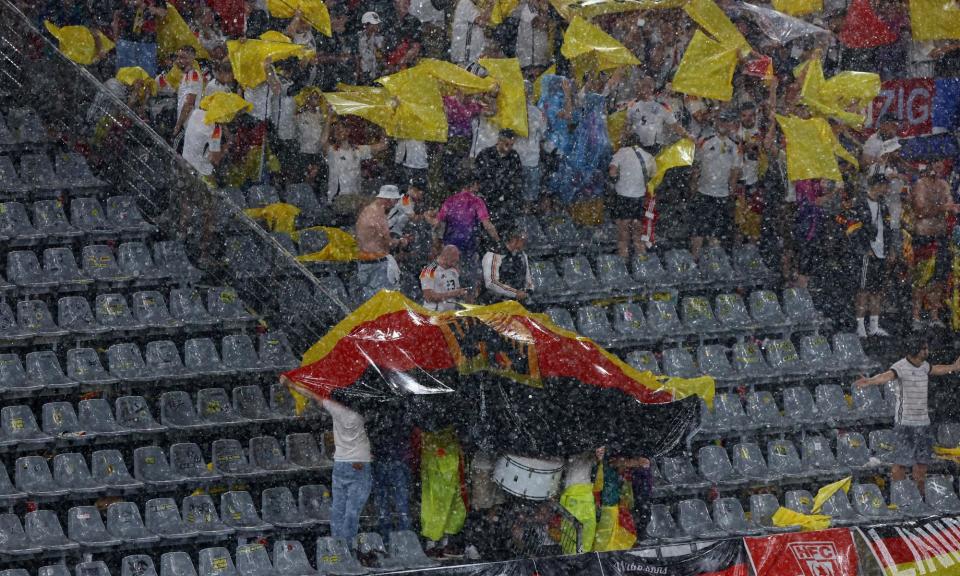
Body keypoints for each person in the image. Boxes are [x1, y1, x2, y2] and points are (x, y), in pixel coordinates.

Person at [855, 336, 960, 493]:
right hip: (905, 423)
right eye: (924, 348)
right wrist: (870, 381)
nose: (927, 351)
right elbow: (885, 376)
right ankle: (901, 494)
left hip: (923, 423)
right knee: (901, 462)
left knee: (922, 462)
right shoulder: (900, 366)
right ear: (916, 350)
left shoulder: (924, 366)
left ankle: (919, 494)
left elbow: (937, 368)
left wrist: (953, 366)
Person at [907, 161, 958, 330]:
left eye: (940, 166)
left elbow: (950, 203)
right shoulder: (920, 185)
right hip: (923, 236)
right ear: (928, 167)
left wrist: (950, 207)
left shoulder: (944, 184)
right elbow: (920, 210)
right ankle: (915, 316)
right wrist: (943, 207)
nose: (937, 169)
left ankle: (934, 316)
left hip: (941, 236)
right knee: (921, 279)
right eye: (935, 165)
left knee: (938, 279)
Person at [689, 108, 742, 259]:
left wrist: (730, 194)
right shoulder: (705, 141)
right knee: (698, 232)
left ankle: (714, 264)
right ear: (717, 121)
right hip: (703, 192)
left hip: (722, 195)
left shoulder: (736, 146)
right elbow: (696, 166)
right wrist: (693, 187)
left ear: (732, 124)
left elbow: (735, 172)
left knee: (716, 234)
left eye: (727, 121)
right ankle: (695, 262)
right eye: (722, 120)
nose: (724, 124)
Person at [320, 394, 373, 541]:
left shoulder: (335, 408)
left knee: (338, 508)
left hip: (340, 462)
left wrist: (291, 384)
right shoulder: (361, 413)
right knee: (353, 510)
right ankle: (348, 544)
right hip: (360, 461)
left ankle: (338, 544)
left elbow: (315, 396)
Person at [435, 176, 501, 294]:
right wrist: (498, 240)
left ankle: (451, 308)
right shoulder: (477, 201)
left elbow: (437, 223)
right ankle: (469, 304)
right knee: (469, 284)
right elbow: (487, 225)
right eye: (477, 184)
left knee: (450, 283)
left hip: (450, 247)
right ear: (474, 185)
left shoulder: (449, 200)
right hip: (468, 247)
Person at [848, 174, 894, 337]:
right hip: (867, 253)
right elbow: (852, 229)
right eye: (885, 185)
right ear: (877, 185)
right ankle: (860, 326)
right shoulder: (859, 203)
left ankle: (874, 326)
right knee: (863, 290)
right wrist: (864, 248)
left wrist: (890, 249)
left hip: (881, 252)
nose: (887, 189)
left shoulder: (883, 204)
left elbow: (888, 229)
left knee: (877, 291)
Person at [356, 185, 410, 301]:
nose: (395, 204)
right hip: (377, 264)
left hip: (364, 261)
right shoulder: (379, 215)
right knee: (383, 302)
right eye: (394, 201)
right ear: (387, 199)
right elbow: (388, 242)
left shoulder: (368, 210)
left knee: (369, 302)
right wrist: (401, 241)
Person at [609, 134, 657, 259]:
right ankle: (641, 261)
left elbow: (612, 172)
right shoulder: (648, 156)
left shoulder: (622, 152)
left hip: (623, 197)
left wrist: (620, 176)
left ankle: (624, 262)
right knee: (638, 232)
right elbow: (653, 176)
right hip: (639, 198)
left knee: (623, 233)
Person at [475, 130, 524, 226]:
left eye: (511, 145)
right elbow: (478, 178)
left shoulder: (514, 156)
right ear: (499, 141)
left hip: (507, 203)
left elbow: (518, 179)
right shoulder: (485, 154)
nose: (509, 148)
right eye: (506, 144)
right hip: (488, 201)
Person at [112, 0, 166, 76]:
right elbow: (116, 16)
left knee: (147, 76)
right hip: (126, 40)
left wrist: (152, 9)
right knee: (124, 75)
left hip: (147, 43)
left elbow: (163, 13)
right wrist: (116, 39)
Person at [482, 226, 532, 302]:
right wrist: (514, 293)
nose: (525, 243)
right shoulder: (494, 254)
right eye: (523, 240)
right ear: (514, 239)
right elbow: (491, 283)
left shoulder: (523, 255)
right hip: (495, 303)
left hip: (517, 303)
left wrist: (529, 291)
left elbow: (528, 279)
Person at [171, 46, 204, 142]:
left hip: (190, 126)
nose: (179, 60)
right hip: (187, 125)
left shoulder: (194, 75)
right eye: (178, 57)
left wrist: (178, 125)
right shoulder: (186, 75)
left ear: (191, 59)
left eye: (183, 57)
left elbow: (189, 103)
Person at [420, 245, 467, 311]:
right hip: (434, 314)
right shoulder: (429, 270)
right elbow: (429, 297)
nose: (457, 259)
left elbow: (455, 290)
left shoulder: (453, 270)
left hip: (450, 314)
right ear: (445, 256)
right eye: (454, 256)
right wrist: (452, 294)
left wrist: (461, 293)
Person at [358, 12, 385, 82]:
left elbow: (381, 56)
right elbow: (357, 58)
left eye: (377, 24)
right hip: (362, 75)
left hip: (375, 75)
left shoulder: (379, 38)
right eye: (373, 24)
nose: (376, 27)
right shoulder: (358, 38)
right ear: (365, 25)